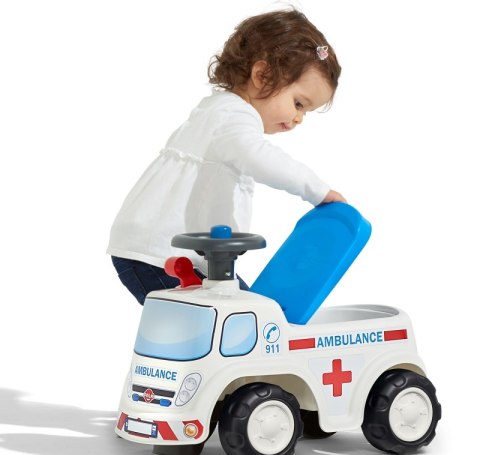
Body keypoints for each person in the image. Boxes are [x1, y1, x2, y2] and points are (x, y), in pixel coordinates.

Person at [107, 8, 346, 305]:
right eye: (298, 103)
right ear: (262, 75)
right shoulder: (234, 117)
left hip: (170, 251)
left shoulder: (221, 110)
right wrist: (317, 190)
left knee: (244, 314)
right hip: (160, 254)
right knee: (232, 321)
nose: (299, 118)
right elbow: (259, 158)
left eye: (306, 111)